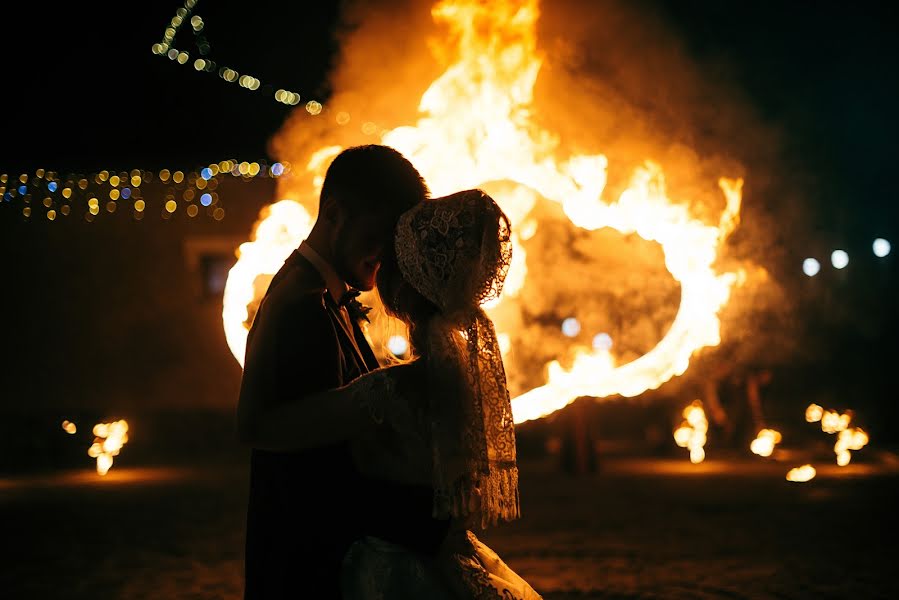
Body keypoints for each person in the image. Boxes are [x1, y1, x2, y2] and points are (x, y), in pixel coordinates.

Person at [252, 189, 543, 598]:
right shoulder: (461, 373)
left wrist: (266, 320)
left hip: (395, 570)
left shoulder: (394, 390)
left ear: (404, 285)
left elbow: (263, 427)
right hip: (443, 555)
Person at [236, 144, 448, 599]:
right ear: (334, 214)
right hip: (309, 572)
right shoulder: (302, 306)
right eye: (378, 235)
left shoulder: (323, 296)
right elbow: (317, 474)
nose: (387, 254)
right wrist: (425, 520)